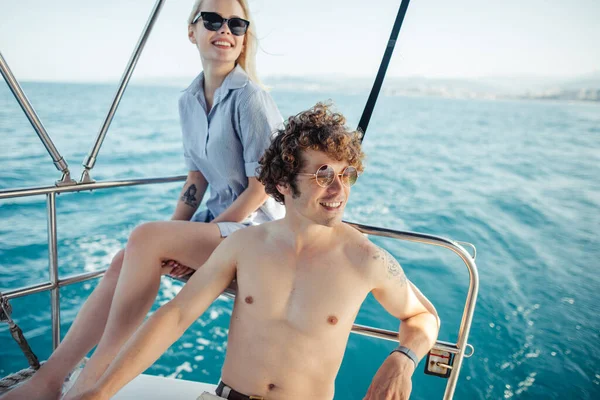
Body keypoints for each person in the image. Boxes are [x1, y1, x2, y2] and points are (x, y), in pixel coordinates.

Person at [1, 0, 283, 399]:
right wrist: (174, 236)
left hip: (258, 234)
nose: (225, 30)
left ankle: (90, 384)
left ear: (243, 39)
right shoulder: (188, 100)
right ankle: (50, 379)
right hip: (220, 227)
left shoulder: (250, 98)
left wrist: (184, 240)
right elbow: (197, 178)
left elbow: (263, 188)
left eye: (237, 24)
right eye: (213, 20)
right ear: (192, 31)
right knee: (128, 256)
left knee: (146, 239)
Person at [67, 103, 440, 400]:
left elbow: (423, 316)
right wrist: (101, 391)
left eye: (347, 175)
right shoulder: (244, 246)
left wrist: (402, 359)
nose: (339, 190)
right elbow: (177, 315)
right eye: (324, 175)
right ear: (282, 183)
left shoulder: (366, 259)